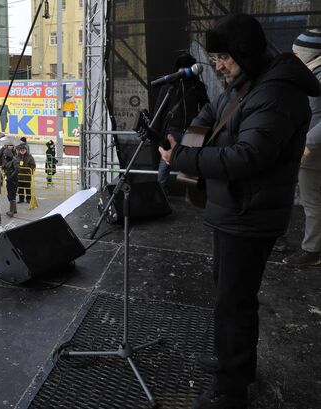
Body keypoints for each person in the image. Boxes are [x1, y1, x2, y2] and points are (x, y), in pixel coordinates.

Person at [159, 14, 319, 409]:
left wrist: (185, 157)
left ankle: (231, 390)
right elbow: (213, 113)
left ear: (245, 53)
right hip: (235, 209)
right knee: (229, 298)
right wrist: (189, 134)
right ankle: (233, 362)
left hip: (250, 215)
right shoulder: (248, 82)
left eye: (224, 57)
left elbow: (249, 157)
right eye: (215, 57)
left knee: (234, 302)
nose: (218, 65)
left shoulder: (278, 93)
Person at [282, 30, 321, 266]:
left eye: (297, 52)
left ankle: (312, 250)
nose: (294, 56)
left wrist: (306, 146)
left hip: (312, 152)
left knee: (312, 200)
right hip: (310, 148)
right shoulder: (312, 72)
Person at [153, 52, 209, 195]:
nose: (183, 70)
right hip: (171, 131)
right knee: (163, 169)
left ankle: (190, 200)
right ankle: (163, 199)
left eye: (186, 67)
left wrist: (200, 125)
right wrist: (156, 133)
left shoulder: (197, 86)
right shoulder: (169, 86)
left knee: (190, 171)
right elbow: (159, 110)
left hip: (192, 133)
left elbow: (207, 107)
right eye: (181, 68)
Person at [2, 149, 19, 217]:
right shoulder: (7, 160)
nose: (5, 156)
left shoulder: (14, 160)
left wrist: (11, 176)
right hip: (9, 179)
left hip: (13, 180)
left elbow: (17, 170)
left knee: (11, 195)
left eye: (5, 155)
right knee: (11, 194)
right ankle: (14, 209)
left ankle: (11, 211)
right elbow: (5, 166)